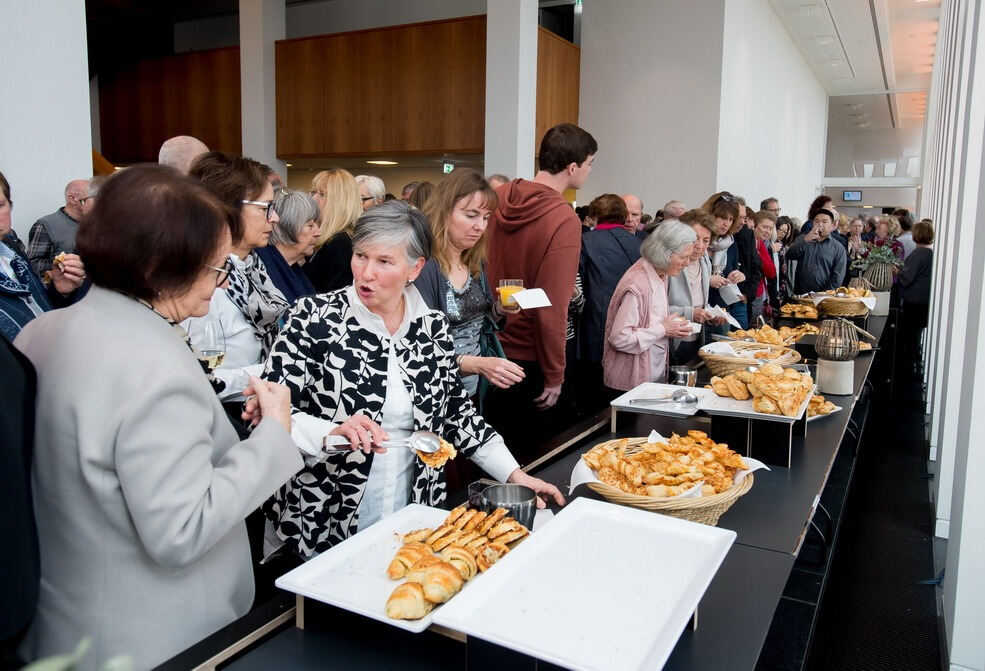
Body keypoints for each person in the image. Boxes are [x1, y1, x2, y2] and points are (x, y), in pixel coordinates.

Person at [14, 165, 304, 671]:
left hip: (61, 619)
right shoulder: (156, 364)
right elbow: (182, 528)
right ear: (157, 268)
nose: (220, 281)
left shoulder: (43, 332)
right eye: (214, 267)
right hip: (153, 638)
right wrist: (274, 435)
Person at [260, 200, 563, 557]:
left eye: (384, 261)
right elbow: (271, 413)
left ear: (415, 268)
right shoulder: (312, 319)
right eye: (360, 256)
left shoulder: (430, 327)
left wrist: (514, 474)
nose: (365, 273)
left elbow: (457, 414)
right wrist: (330, 433)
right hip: (324, 514)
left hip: (412, 514)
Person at [484, 123, 596, 442]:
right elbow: (552, 304)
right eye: (589, 164)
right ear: (572, 167)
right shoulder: (562, 218)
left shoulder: (498, 196)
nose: (588, 172)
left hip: (486, 346)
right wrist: (554, 374)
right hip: (528, 359)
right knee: (528, 466)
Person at [187, 152, 290, 405]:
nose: (274, 218)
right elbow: (199, 379)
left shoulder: (253, 268)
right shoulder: (202, 284)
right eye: (266, 208)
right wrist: (273, 371)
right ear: (228, 209)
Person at [414, 168, 523, 399]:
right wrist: (476, 364)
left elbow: (478, 320)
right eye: (471, 215)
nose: (481, 227)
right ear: (443, 211)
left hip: (471, 390)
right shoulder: (425, 267)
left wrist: (499, 310)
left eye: (485, 218)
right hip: (435, 392)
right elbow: (419, 346)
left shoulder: (474, 261)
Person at [603, 221, 696, 391]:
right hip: (630, 385)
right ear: (665, 253)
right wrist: (663, 329)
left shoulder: (661, 273)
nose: (688, 263)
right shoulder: (638, 284)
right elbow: (619, 339)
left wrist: (671, 327)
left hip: (652, 376)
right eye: (683, 257)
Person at [0, 172, 85, 341]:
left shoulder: (13, 251)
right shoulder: (46, 224)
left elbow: (39, 308)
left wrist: (59, 291)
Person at [578, 194, 642, 368]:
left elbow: (578, 284)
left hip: (594, 321)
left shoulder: (585, 241)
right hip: (632, 320)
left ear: (595, 216)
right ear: (623, 215)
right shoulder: (639, 244)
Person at [667, 209, 720, 364]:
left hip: (697, 337)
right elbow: (655, 308)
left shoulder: (704, 262)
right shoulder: (670, 264)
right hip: (671, 341)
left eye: (706, 240)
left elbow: (700, 300)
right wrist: (690, 313)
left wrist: (711, 314)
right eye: (695, 238)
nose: (700, 246)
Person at [255, 187, 319, 304]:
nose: (318, 232)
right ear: (287, 227)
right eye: (310, 225)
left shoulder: (292, 269)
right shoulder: (261, 271)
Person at [303, 169, 362, 293]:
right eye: (313, 192)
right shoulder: (329, 239)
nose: (314, 198)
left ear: (340, 201)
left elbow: (333, 295)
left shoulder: (340, 243)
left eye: (322, 194)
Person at [26, 179, 89, 279]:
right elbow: (33, 264)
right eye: (88, 199)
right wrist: (65, 264)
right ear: (72, 199)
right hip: (62, 291)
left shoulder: (94, 224)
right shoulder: (45, 225)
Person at [702, 192, 745, 335]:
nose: (726, 223)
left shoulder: (731, 244)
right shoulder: (698, 242)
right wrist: (708, 280)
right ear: (710, 215)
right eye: (722, 217)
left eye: (731, 219)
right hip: (698, 312)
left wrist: (737, 276)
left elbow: (730, 273)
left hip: (722, 312)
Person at [785, 208, 847, 293]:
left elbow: (837, 277)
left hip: (825, 298)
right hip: (801, 296)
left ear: (832, 225)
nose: (820, 224)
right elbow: (790, 255)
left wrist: (823, 294)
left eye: (824, 222)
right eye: (816, 221)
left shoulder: (838, 248)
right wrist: (806, 240)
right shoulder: (803, 239)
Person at [898, 220, 934, 367]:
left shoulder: (918, 253)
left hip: (913, 300)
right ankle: (915, 363)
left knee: (911, 336)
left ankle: (910, 364)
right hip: (924, 300)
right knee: (917, 334)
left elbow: (906, 277)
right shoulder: (930, 253)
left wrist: (897, 271)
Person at [750, 210, 777, 322]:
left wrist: (758, 253)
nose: (768, 232)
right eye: (765, 227)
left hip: (760, 295)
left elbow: (771, 271)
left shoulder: (760, 243)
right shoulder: (752, 243)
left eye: (771, 229)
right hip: (752, 295)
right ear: (754, 226)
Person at [774, 215, 796, 302]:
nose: (783, 234)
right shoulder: (771, 244)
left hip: (782, 283)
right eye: (781, 230)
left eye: (785, 231)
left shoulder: (783, 245)